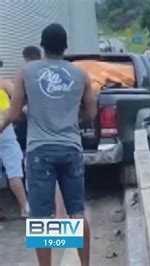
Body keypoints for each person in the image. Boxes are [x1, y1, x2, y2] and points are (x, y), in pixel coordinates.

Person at [0, 23, 97, 266]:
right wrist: (69, 118)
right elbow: (91, 112)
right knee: (76, 213)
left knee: (42, 218)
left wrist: (29, 114)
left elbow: (13, 114)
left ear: (42, 46)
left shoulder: (27, 72)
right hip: (71, 149)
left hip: (39, 152)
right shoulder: (80, 74)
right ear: (66, 47)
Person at [22, 45, 68, 219]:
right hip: (66, 142)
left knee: (40, 202)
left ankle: (52, 225)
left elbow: (18, 110)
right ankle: (61, 217)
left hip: (40, 143)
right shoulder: (55, 76)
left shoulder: (28, 76)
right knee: (63, 187)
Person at [0, 78, 29, 218]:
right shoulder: (3, 84)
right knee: (14, 171)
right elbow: (17, 105)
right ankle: (24, 208)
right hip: (4, 132)